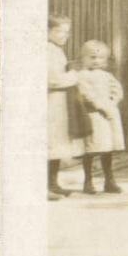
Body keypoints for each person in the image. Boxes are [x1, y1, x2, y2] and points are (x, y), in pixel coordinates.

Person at [76, 40, 125, 194]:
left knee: (107, 148)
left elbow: (116, 89)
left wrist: (113, 101)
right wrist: (101, 106)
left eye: (100, 58)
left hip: (107, 116)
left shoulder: (107, 75)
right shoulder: (81, 75)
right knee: (90, 148)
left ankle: (109, 180)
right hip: (93, 115)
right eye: (92, 57)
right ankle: (88, 181)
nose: (96, 61)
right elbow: (86, 93)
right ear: (83, 58)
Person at [48, 15, 86, 200]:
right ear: (47, 31)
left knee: (56, 144)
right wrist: (73, 75)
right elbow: (52, 80)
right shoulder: (47, 50)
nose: (64, 35)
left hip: (58, 103)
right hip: (49, 102)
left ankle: (53, 184)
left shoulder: (57, 50)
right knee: (49, 143)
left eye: (66, 32)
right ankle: (46, 186)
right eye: (59, 31)